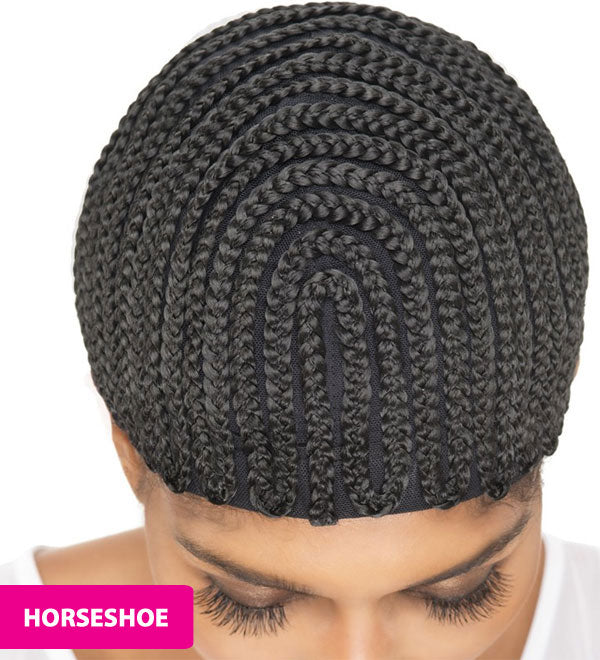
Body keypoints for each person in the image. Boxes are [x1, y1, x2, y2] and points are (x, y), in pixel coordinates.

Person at [1, 2, 598, 658]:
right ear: (130, 455)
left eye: (457, 592)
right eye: (252, 600)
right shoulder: (47, 624)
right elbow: (42, 619)